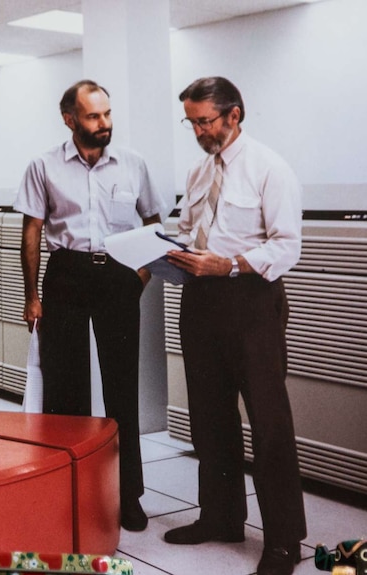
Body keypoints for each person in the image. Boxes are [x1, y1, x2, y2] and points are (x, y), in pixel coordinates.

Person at [165, 76, 306, 575]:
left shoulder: (270, 169)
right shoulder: (199, 170)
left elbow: (288, 245)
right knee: (209, 417)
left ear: (233, 115)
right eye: (192, 123)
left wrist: (228, 264)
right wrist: (168, 248)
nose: (200, 132)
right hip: (201, 301)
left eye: (206, 121)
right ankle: (221, 517)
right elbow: (188, 229)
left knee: (268, 424)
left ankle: (284, 541)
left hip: (250, 301)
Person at [13, 79, 167, 532]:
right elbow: (32, 232)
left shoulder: (133, 163)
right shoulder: (43, 166)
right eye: (94, 116)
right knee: (66, 391)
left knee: (123, 389)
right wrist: (32, 296)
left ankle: (129, 495)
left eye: (108, 114)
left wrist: (139, 276)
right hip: (65, 276)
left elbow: (155, 221)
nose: (105, 124)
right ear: (70, 119)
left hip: (118, 275)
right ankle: (69, 488)